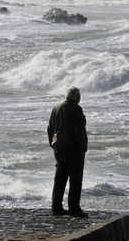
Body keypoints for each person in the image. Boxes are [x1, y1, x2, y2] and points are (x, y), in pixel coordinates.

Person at [47, 86, 88, 217]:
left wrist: (53, 145)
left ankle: (56, 207)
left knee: (60, 179)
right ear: (77, 97)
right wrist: (83, 149)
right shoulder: (76, 109)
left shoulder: (56, 108)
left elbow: (49, 129)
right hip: (74, 150)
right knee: (75, 180)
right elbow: (79, 132)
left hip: (59, 149)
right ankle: (74, 209)